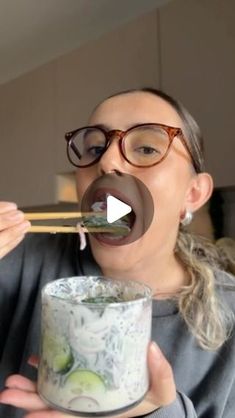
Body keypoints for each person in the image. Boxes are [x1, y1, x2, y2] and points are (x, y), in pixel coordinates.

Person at [0, 88, 235, 418]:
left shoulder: (230, 316)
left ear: (193, 193)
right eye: (95, 147)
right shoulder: (18, 259)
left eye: (147, 148)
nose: (106, 161)